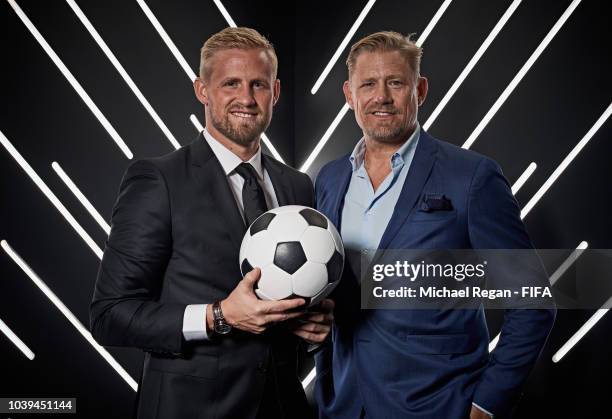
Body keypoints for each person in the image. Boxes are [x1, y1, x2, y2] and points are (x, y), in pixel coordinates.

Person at [90, 27, 332, 419]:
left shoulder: (297, 185)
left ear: (277, 91)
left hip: (283, 407)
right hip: (190, 408)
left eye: (259, 84)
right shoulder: (159, 179)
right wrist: (217, 316)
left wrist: (317, 327)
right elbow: (110, 315)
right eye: (230, 84)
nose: (247, 99)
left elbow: (295, 295)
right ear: (202, 90)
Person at [313, 31, 555, 419]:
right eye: (368, 84)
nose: (382, 97)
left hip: (438, 406)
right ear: (349, 94)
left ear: (420, 90)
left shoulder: (472, 177)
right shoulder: (329, 179)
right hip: (342, 405)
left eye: (396, 82)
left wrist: (486, 404)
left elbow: (532, 301)